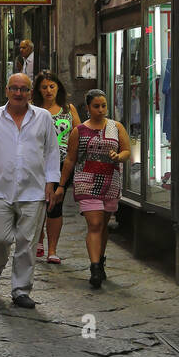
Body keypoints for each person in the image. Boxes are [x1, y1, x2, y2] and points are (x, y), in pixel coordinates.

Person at [0, 73, 60, 310]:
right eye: (14, 88)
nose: (19, 93)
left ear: (30, 93)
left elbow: (52, 151)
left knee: (27, 243)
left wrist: (51, 183)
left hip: (34, 190)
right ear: (7, 91)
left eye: (24, 89)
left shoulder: (43, 118)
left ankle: (21, 290)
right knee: (0, 238)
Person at [51, 87, 131, 288]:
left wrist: (119, 156)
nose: (101, 110)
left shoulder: (116, 127)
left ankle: (100, 260)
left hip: (110, 181)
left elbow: (126, 150)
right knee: (94, 224)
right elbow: (70, 159)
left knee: (103, 225)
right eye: (96, 106)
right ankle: (95, 267)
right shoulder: (79, 131)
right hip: (86, 181)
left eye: (103, 106)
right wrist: (61, 185)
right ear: (88, 108)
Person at [32, 71, 81, 265]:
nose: (48, 90)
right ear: (38, 90)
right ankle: (39, 238)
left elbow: (78, 132)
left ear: (58, 87)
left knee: (55, 204)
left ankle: (52, 249)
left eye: (52, 86)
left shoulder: (68, 109)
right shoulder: (33, 109)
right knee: (39, 203)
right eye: (44, 87)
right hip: (37, 163)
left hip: (63, 163)